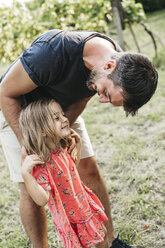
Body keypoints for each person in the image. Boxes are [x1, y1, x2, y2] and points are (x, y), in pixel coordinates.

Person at [0, 29, 158, 248]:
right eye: (105, 94)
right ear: (109, 67)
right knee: (31, 188)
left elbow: (83, 97)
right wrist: (28, 144)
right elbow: (5, 92)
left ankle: (110, 242)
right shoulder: (51, 52)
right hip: (18, 111)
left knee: (88, 167)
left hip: (60, 113)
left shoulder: (117, 64)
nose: (101, 100)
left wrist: (61, 135)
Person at [19, 99, 109, 248]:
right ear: (42, 130)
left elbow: (71, 171)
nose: (65, 119)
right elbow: (42, 199)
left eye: (62, 114)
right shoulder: (42, 163)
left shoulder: (61, 148)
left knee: (102, 236)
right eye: (56, 118)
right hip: (71, 217)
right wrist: (26, 175)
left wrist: (78, 146)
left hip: (83, 205)